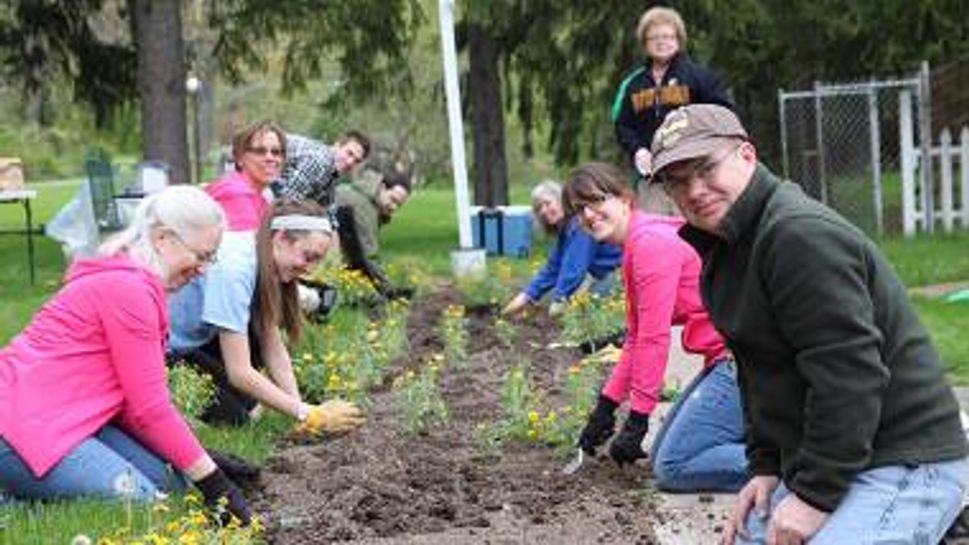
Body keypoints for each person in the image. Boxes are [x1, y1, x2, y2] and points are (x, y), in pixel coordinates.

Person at [650, 103, 968, 544]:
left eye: (705, 168)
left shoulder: (797, 236)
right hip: (842, 456)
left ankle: (938, 511)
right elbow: (756, 373)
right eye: (677, 181)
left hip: (904, 457)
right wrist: (766, 469)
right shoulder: (724, 251)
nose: (695, 189)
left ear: (747, 155)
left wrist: (813, 498)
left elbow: (849, 375)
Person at [0, 186, 251, 523]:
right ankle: (11, 504)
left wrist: (199, 459)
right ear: (162, 239)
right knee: (145, 507)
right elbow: (151, 410)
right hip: (21, 426)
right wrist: (217, 485)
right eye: (202, 255)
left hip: (69, 417)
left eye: (211, 258)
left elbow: (136, 405)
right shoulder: (128, 291)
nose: (204, 269)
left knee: (171, 485)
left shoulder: (135, 283)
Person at [564, 163, 747, 492]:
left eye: (597, 201)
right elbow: (635, 339)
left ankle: (798, 467)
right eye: (580, 209)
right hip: (729, 359)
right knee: (665, 451)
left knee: (674, 466)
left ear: (624, 199)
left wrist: (637, 420)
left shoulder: (649, 244)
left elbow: (653, 339)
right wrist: (605, 410)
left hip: (745, 362)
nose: (589, 215)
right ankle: (766, 436)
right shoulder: (638, 240)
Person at [167, 199, 366, 432]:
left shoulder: (264, 258)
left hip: (197, 341)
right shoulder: (235, 270)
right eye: (308, 256)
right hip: (163, 352)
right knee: (238, 422)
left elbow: (272, 343)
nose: (310, 269)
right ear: (281, 238)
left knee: (250, 411)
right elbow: (239, 372)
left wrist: (300, 410)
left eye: (316, 260)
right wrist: (307, 413)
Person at [612, 6, 731, 214]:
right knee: (656, 234)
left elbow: (722, 113)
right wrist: (638, 150)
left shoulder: (699, 77)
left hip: (693, 175)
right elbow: (623, 125)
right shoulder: (633, 84)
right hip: (653, 179)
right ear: (644, 43)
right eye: (654, 37)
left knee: (696, 230)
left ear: (679, 39)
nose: (661, 42)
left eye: (667, 36)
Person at [502, 180, 621, 317]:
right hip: (603, 276)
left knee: (585, 312)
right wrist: (526, 296)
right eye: (539, 208)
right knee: (568, 306)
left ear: (561, 200)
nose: (544, 211)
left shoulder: (579, 224)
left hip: (619, 275)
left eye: (548, 203)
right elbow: (553, 268)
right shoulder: (565, 230)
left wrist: (559, 300)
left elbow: (574, 268)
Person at [332, 168, 412, 297]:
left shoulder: (362, 192)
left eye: (399, 205)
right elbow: (369, 255)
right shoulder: (364, 206)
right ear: (383, 187)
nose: (394, 207)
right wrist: (390, 290)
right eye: (393, 199)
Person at [205, 121, 286, 231]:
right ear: (239, 158)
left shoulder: (260, 195)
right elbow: (247, 246)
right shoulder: (236, 194)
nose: (270, 158)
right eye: (260, 151)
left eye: (276, 152)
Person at [272, 130, 371, 207]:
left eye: (356, 161)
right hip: (261, 167)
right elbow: (286, 198)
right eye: (349, 153)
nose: (350, 162)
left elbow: (328, 206)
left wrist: (332, 230)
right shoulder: (320, 162)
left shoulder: (333, 171)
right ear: (337, 145)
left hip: (276, 180)